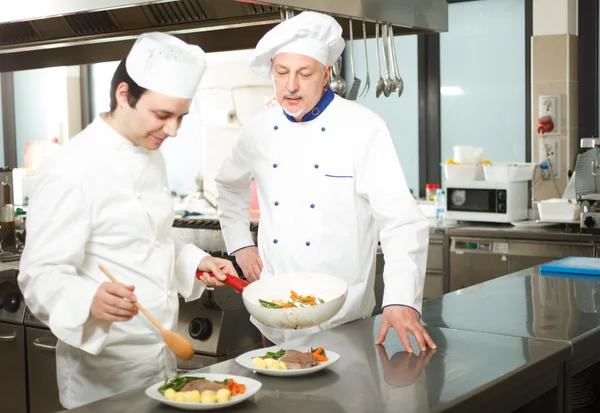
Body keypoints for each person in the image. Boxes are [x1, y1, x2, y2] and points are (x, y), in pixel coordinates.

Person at [18, 32, 238, 409]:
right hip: (102, 378)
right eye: (162, 115)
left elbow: (150, 241)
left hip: (160, 361)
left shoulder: (151, 153)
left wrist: (194, 262)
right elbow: (39, 273)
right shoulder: (73, 167)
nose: (173, 131)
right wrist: (88, 299)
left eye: (181, 117)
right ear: (124, 95)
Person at [214, 12, 436, 352]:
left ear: (326, 73)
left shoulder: (363, 128)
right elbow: (229, 185)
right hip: (275, 318)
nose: (291, 86)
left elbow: (401, 222)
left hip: (343, 318)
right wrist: (241, 245)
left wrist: (401, 299)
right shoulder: (258, 129)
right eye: (282, 72)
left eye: (305, 73)